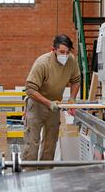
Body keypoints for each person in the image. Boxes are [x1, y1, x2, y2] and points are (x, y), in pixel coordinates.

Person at [22, 34, 80, 167]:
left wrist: (72, 99)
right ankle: (27, 175)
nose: (65, 55)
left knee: (50, 143)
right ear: (53, 50)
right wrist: (48, 103)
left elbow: (76, 81)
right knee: (32, 142)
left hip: (55, 106)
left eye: (67, 52)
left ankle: (45, 173)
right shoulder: (42, 63)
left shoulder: (71, 61)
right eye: (61, 52)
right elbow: (30, 89)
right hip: (37, 105)